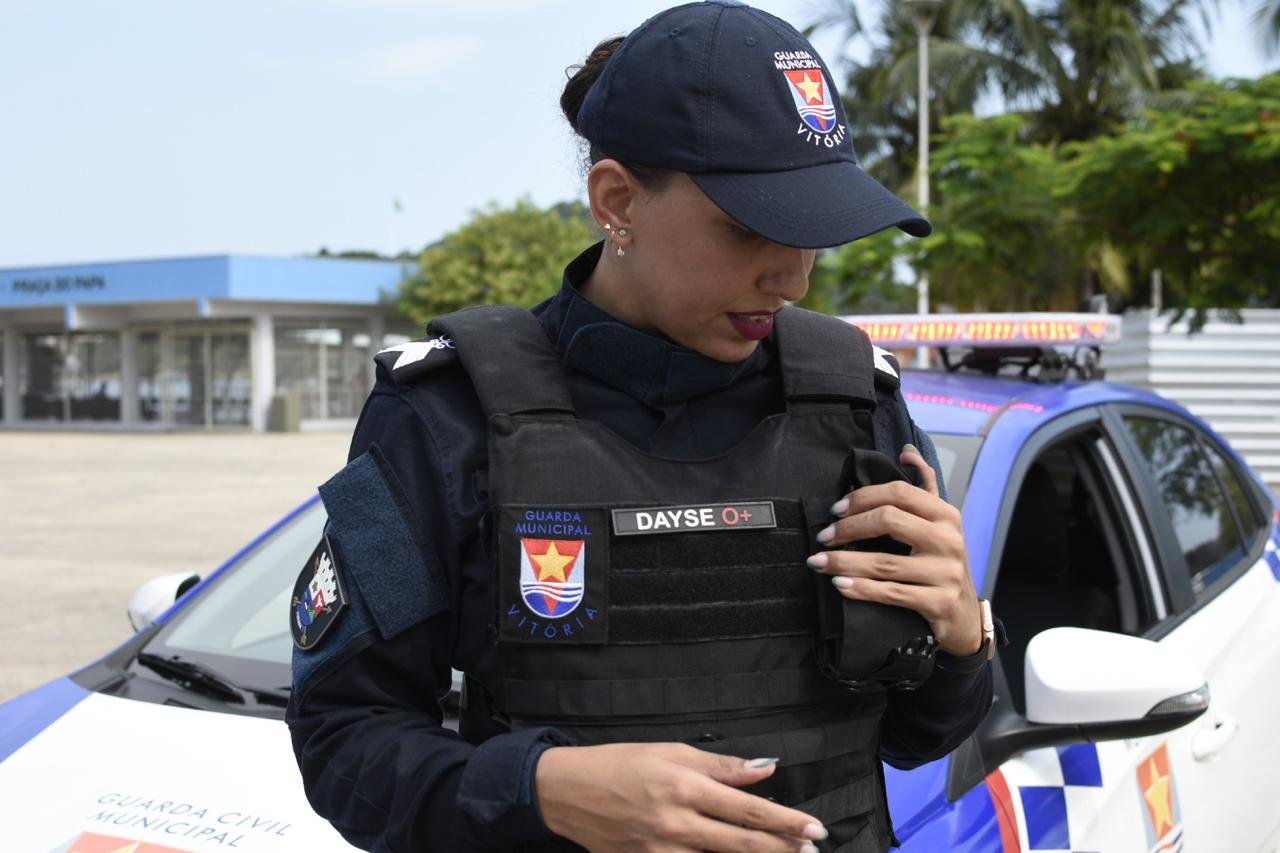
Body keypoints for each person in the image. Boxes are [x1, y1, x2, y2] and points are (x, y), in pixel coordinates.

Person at [286, 2, 996, 851]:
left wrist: (961, 638)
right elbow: (342, 739)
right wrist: (541, 791)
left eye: (813, 233)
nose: (794, 278)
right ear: (617, 199)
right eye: (750, 228)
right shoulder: (445, 415)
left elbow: (916, 737)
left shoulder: (857, 402)